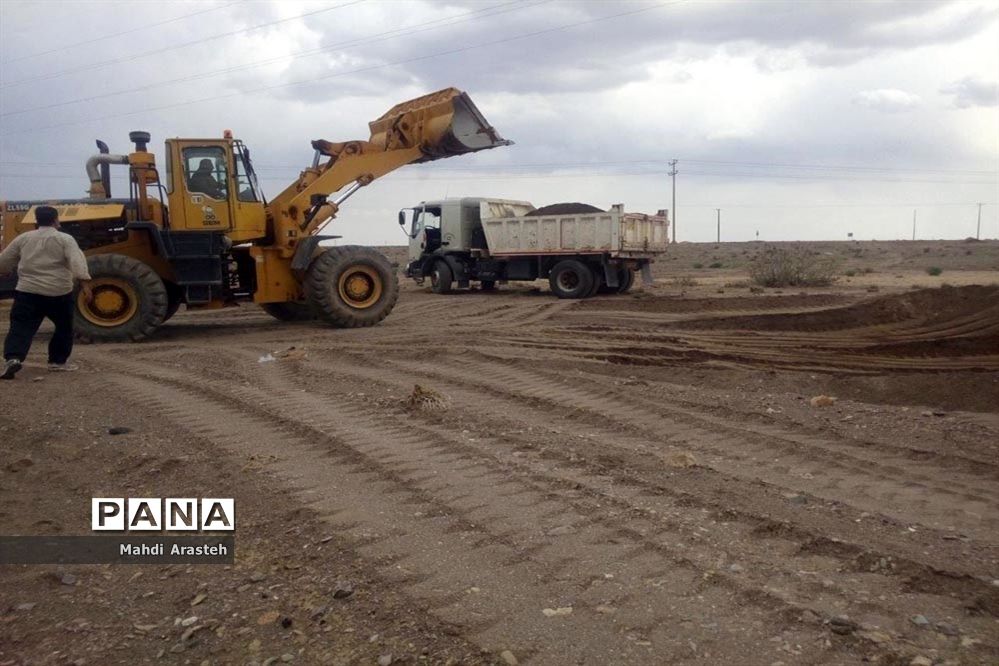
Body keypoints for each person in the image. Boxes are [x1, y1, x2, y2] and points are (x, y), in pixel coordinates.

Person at [0, 206, 93, 380]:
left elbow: (4, 260)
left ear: (36, 220)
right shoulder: (65, 239)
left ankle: (13, 358)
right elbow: (76, 261)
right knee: (64, 327)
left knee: (20, 326)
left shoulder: (23, 238)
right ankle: (57, 362)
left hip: (28, 291)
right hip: (59, 292)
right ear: (56, 220)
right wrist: (86, 284)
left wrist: (4, 270)